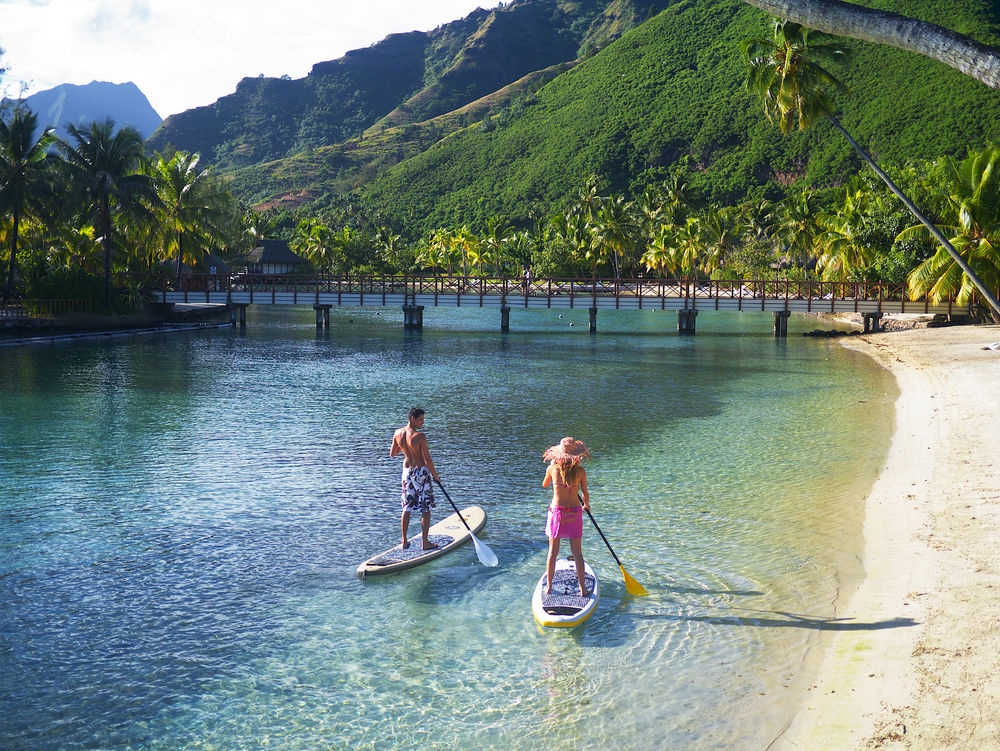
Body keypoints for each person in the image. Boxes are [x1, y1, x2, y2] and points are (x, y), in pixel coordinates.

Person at [541, 436, 591, 596]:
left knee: (553, 552)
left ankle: (549, 587)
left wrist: (550, 467)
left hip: (557, 512)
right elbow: (585, 494)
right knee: (577, 553)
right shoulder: (581, 472)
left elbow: (545, 484)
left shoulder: (552, 468)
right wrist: (586, 506)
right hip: (574, 512)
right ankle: (583, 589)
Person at [390, 407, 441, 550]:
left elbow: (393, 453)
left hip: (406, 472)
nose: (423, 423)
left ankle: (404, 540)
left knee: (407, 507)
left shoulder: (397, 433)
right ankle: (425, 543)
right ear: (413, 418)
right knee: (426, 508)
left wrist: (404, 446)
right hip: (420, 473)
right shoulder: (420, 436)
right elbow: (427, 460)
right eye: (421, 419)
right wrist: (436, 476)